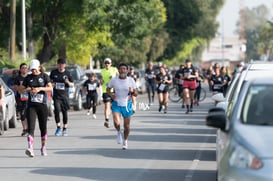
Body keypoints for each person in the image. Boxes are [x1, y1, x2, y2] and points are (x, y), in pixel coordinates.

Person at [20, 59, 52, 157]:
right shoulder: (28, 77)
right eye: (32, 69)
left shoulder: (44, 76)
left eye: (35, 69)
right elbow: (21, 90)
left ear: (39, 67)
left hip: (42, 105)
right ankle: (30, 148)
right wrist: (27, 89)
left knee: (43, 127)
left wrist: (40, 89)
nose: (33, 71)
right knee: (31, 127)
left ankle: (43, 147)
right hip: (31, 106)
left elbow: (50, 88)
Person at [106, 63, 138, 150]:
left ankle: (125, 140)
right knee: (116, 122)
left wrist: (133, 91)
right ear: (118, 70)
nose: (122, 70)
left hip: (127, 104)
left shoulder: (131, 80)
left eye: (124, 69)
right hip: (116, 103)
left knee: (127, 126)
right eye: (121, 69)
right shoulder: (114, 80)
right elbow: (108, 89)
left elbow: (136, 93)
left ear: (127, 71)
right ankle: (118, 132)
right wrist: (111, 95)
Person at [50, 58, 74, 136]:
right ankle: (58, 127)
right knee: (57, 110)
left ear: (65, 65)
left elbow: (72, 84)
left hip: (65, 96)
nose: (61, 65)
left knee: (64, 112)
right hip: (56, 96)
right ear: (57, 65)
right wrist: (52, 85)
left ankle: (65, 129)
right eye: (59, 64)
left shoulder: (67, 73)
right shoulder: (53, 72)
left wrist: (68, 82)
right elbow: (50, 82)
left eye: (62, 64)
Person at [101, 58, 118, 128]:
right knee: (107, 106)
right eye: (105, 63)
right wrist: (101, 81)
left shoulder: (114, 69)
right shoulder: (102, 71)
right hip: (106, 90)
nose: (107, 64)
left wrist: (114, 77)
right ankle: (106, 120)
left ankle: (116, 119)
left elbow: (119, 77)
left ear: (111, 64)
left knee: (114, 107)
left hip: (114, 90)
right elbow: (101, 80)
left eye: (108, 63)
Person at [14, 63, 29, 136]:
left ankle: (29, 128)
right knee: (22, 114)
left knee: (28, 113)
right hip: (20, 98)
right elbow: (15, 88)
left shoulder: (30, 77)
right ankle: (25, 129)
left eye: (26, 68)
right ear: (20, 69)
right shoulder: (18, 78)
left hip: (29, 98)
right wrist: (21, 86)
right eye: (23, 68)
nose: (24, 69)